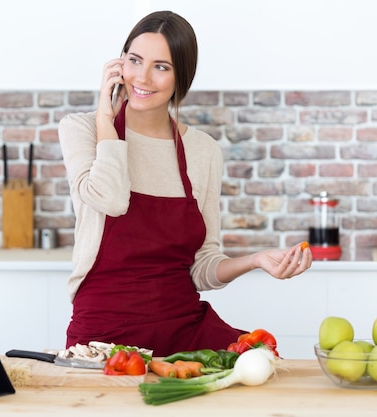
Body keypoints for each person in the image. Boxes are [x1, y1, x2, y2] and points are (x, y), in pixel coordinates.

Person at [58, 10, 312, 356]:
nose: (142, 78)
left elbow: (202, 267)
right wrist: (106, 116)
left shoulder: (202, 150)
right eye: (135, 60)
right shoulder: (83, 129)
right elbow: (112, 200)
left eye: (161, 67)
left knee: (261, 361)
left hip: (183, 323)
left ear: (182, 77)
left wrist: (255, 260)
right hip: (105, 330)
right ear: (119, 65)